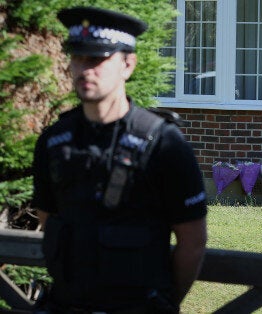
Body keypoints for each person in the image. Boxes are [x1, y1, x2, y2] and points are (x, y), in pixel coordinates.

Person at [32, 6, 208, 313]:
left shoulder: (164, 144)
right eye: (78, 57)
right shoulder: (53, 141)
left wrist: (165, 305)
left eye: (98, 59)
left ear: (128, 64)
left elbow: (192, 241)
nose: (85, 69)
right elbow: (50, 222)